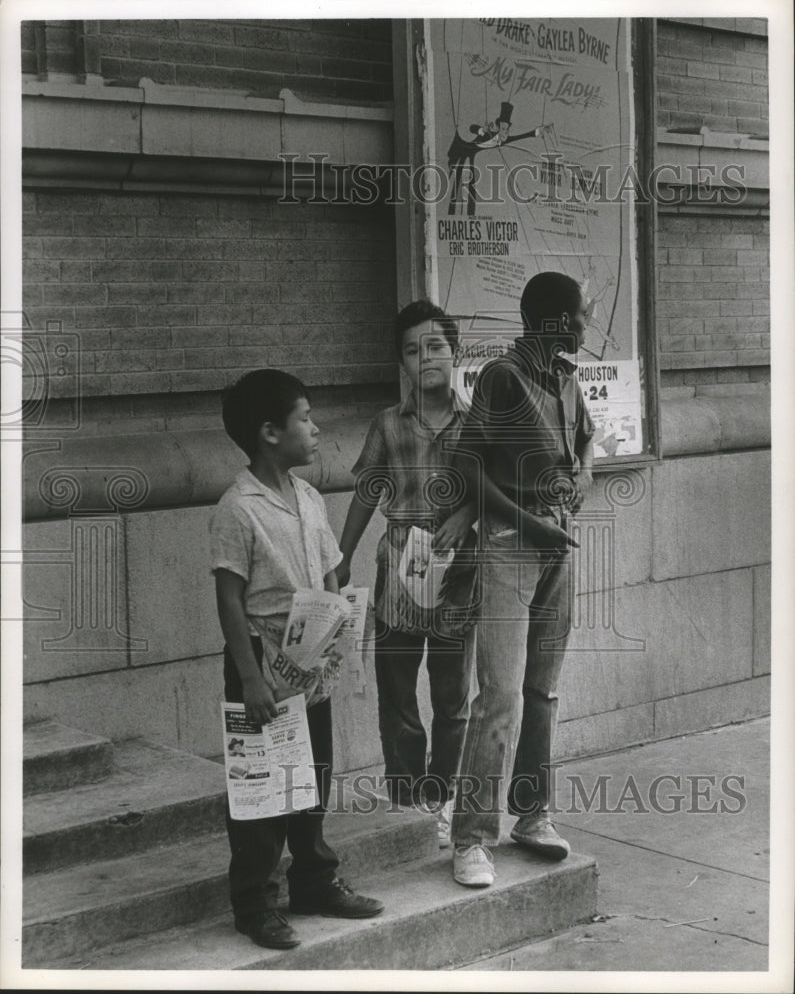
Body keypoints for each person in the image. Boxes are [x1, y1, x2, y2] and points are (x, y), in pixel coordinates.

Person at [209, 369, 384, 950]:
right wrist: (252, 679)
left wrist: (341, 626)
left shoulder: (308, 497)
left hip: (310, 664)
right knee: (262, 788)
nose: (315, 429)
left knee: (313, 778)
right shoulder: (238, 509)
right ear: (269, 433)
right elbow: (230, 599)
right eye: (305, 418)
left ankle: (313, 881)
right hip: (262, 665)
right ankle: (254, 903)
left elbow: (333, 570)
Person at [450, 271, 595, 887]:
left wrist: (584, 478)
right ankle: (471, 838)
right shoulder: (502, 378)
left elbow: (588, 444)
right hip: (511, 546)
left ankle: (532, 817)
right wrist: (532, 527)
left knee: (544, 690)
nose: (589, 323)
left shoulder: (566, 379)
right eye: (582, 314)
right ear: (557, 321)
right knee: (501, 694)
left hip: (558, 548)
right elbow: (468, 472)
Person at [336, 300, 478, 847]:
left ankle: (442, 800)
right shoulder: (388, 426)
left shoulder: (476, 424)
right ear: (404, 363)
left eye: (436, 346)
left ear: (456, 352)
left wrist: (466, 516)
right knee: (396, 695)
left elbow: (498, 492)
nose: (427, 358)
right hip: (398, 570)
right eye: (414, 350)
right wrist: (342, 556)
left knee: (451, 698)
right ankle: (405, 799)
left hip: (456, 573)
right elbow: (366, 494)